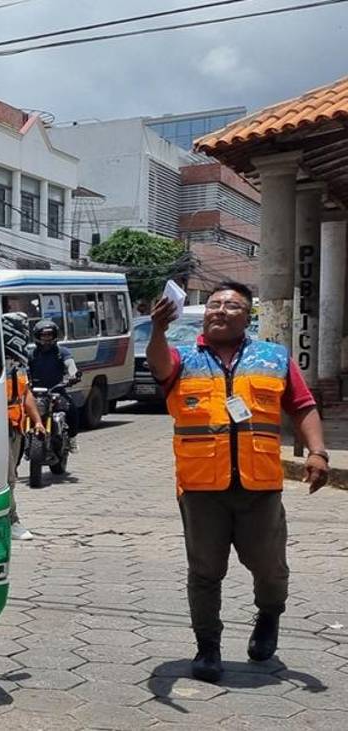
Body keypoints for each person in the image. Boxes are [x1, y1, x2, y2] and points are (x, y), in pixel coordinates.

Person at [145, 281, 330, 683]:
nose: (220, 311)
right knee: (205, 571)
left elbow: (302, 406)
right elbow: (159, 365)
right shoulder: (183, 357)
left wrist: (317, 451)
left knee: (269, 568)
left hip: (259, 487)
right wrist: (157, 329)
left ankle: (268, 617)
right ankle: (208, 647)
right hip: (200, 488)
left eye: (231, 305)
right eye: (214, 305)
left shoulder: (273, 357)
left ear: (248, 315)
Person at [3, 312, 46, 541]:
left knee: (11, 477)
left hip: (15, 428)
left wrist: (37, 421)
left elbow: (25, 393)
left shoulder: (19, 363)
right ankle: (12, 521)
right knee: (7, 478)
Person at [27, 318, 80, 450]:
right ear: (37, 336)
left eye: (49, 335)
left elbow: (70, 364)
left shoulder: (61, 352)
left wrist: (73, 375)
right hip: (35, 393)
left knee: (71, 409)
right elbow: (22, 368)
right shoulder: (31, 354)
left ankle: (72, 438)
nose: (47, 338)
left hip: (57, 390)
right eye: (43, 335)